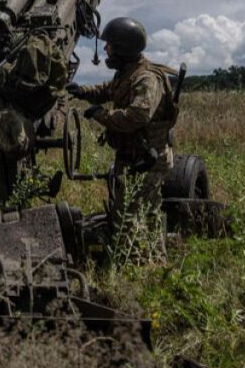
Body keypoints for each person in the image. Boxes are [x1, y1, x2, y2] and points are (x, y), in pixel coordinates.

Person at [66, 17, 178, 262]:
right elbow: (108, 90)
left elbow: (137, 116)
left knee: (127, 215)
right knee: (147, 213)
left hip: (147, 160)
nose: (106, 49)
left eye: (111, 45)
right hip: (134, 157)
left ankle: (131, 265)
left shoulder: (146, 78)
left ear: (124, 49)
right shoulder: (128, 73)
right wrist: (83, 92)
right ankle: (154, 260)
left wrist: (102, 115)